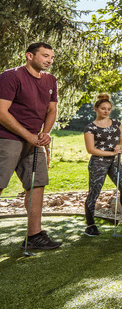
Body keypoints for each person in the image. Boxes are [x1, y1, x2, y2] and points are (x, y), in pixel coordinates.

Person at [0, 42, 62, 250]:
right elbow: (1, 112)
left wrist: (45, 133)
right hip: (7, 138)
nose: (49, 60)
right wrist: (28, 135)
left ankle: (34, 236)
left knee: (37, 185)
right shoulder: (11, 76)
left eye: (51, 57)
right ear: (29, 55)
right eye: (45, 56)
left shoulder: (51, 80)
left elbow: (51, 110)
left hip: (34, 141)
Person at [83, 94, 122, 236]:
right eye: (103, 108)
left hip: (115, 162)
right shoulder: (90, 127)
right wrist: (111, 153)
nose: (106, 111)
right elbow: (90, 149)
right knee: (94, 193)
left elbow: (121, 140)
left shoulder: (116, 122)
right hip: (98, 163)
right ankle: (90, 225)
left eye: (109, 109)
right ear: (96, 109)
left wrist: (120, 147)